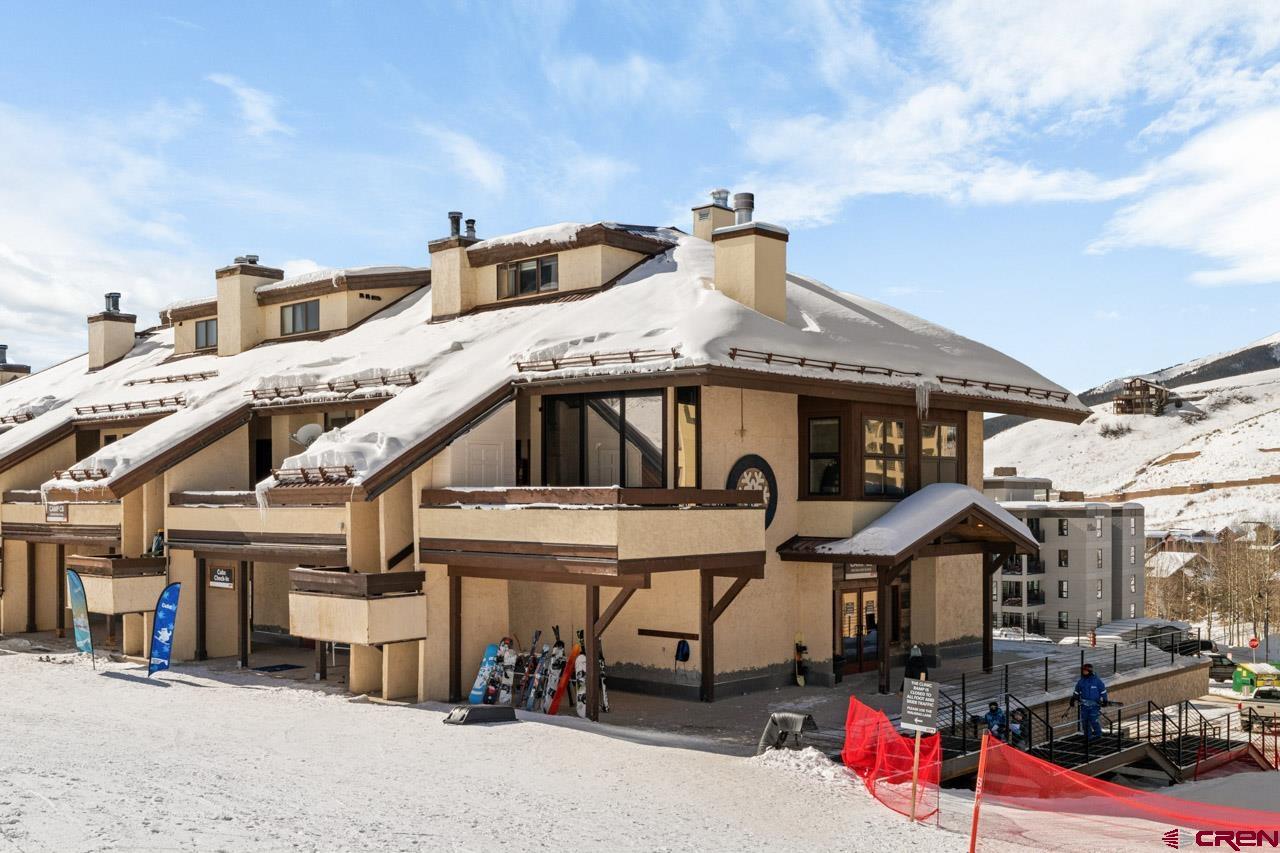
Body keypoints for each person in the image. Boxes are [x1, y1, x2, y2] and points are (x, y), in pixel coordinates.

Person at [1070, 662, 1109, 740]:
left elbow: (1103, 691)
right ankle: (1088, 737)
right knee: (1085, 722)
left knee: (1093, 721)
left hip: (1094, 705)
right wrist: (1073, 699)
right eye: (1083, 671)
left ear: (1089, 671)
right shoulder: (1081, 681)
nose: (1083, 672)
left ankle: (1098, 735)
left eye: (1085, 671)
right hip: (1084, 705)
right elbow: (1076, 691)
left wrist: (1105, 700)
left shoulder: (1097, 681)